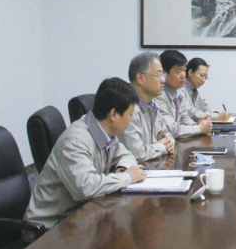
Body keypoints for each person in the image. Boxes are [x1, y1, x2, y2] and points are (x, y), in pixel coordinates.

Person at [24, 78, 147, 230]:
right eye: (130, 114)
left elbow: (127, 156)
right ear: (114, 114)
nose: (132, 119)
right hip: (49, 227)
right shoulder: (76, 142)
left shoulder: (105, 132)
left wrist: (121, 170)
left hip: (80, 215)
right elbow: (86, 187)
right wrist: (126, 177)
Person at [118, 52, 175, 162]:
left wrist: (169, 141)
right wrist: (162, 147)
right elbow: (137, 153)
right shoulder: (128, 108)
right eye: (158, 75)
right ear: (140, 78)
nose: (163, 80)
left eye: (163, 75)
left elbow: (164, 132)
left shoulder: (152, 105)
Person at [156, 50, 212, 138]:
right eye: (178, 71)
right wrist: (199, 128)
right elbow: (172, 129)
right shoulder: (158, 95)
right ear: (164, 73)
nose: (183, 75)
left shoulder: (178, 93)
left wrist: (197, 125)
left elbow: (184, 119)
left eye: (184, 70)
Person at [182, 57, 231, 122]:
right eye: (201, 75)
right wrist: (217, 116)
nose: (203, 80)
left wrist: (218, 114)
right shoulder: (180, 89)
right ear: (190, 72)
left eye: (205, 77)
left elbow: (204, 106)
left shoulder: (193, 89)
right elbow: (192, 114)